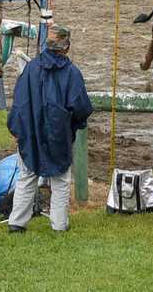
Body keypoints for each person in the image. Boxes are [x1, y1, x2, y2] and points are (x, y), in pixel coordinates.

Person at [7, 26, 92, 233]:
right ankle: (59, 224)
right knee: (60, 180)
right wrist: (75, 123)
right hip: (58, 133)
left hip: (30, 131)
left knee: (27, 176)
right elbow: (81, 107)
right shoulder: (71, 73)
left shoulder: (31, 69)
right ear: (67, 47)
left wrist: (17, 128)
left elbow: (19, 102)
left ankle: (17, 223)